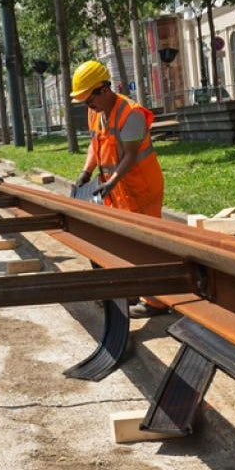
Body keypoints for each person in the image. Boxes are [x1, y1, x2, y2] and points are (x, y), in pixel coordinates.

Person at [70, 60, 167, 316]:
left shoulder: (131, 114)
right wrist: (85, 172)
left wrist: (112, 181)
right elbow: (95, 144)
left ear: (103, 89)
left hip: (141, 188)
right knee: (121, 242)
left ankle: (157, 302)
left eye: (88, 98)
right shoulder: (95, 112)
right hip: (118, 190)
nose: (86, 105)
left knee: (146, 246)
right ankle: (130, 292)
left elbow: (131, 155)